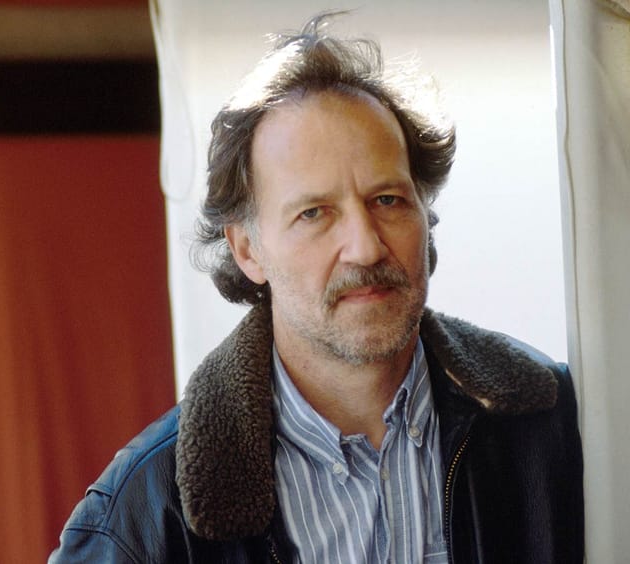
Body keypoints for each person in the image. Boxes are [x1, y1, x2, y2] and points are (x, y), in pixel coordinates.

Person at [50, 12, 583, 563]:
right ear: (247, 250)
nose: (365, 247)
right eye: (314, 213)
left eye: (388, 200)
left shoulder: (555, 427)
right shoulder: (141, 518)